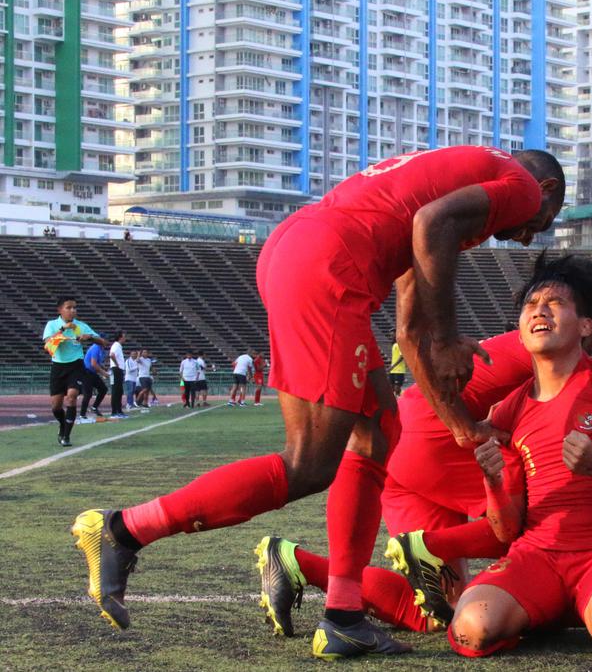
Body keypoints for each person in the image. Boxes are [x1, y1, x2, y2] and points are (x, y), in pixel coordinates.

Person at [72, 145, 566, 661]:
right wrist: (448, 336)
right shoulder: (520, 186)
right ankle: (124, 528)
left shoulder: (446, 185)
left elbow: (410, 328)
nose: (530, 232)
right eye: (544, 222)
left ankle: (344, 617)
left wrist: (460, 424)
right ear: (547, 190)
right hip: (329, 266)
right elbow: (433, 226)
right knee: (308, 463)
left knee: (379, 435)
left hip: (305, 248)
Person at [253, 255, 592, 640]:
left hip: (401, 441)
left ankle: (297, 564)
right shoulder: (551, 350)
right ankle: (429, 546)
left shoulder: (530, 337)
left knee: (440, 610)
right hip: (438, 438)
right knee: (534, 524)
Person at [444, 253, 592, 660]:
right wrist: (494, 483)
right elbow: (504, 529)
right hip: (537, 555)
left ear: (586, 326)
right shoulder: (509, 411)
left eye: (555, 304)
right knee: (470, 631)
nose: (540, 312)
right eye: (532, 305)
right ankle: (551, 606)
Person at [43, 298, 107, 446]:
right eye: (69, 307)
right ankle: (62, 424)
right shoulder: (52, 325)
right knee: (56, 406)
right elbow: (48, 346)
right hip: (58, 367)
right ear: (60, 310)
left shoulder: (81, 326)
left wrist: (89, 337)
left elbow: (103, 342)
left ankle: (66, 436)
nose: (73, 310)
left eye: (75, 308)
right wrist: (64, 329)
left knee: (71, 397)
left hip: (76, 366)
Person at [80, 339, 110, 419]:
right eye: (106, 340)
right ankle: (82, 415)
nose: (107, 342)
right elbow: (93, 364)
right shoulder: (96, 348)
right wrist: (103, 373)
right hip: (86, 373)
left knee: (103, 389)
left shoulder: (100, 349)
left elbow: (97, 363)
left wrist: (103, 368)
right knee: (88, 394)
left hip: (92, 373)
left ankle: (94, 407)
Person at [107, 331, 128, 419]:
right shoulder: (116, 346)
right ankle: (115, 411)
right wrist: (117, 364)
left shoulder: (118, 346)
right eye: (124, 337)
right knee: (116, 391)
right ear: (120, 338)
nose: (125, 338)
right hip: (116, 370)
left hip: (117, 369)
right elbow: (111, 355)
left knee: (119, 391)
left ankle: (118, 410)